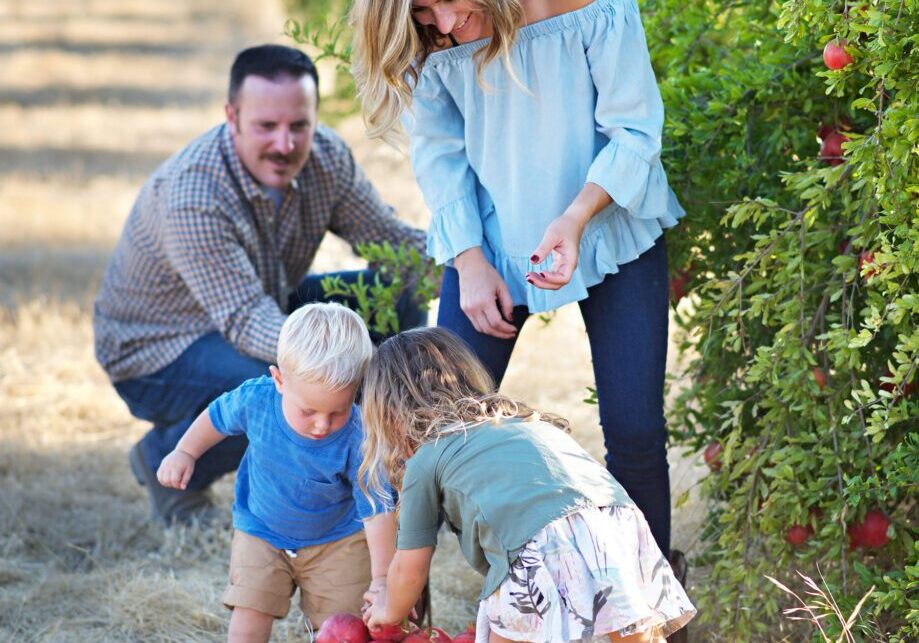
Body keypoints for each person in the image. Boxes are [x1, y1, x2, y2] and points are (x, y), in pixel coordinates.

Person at [349, 0, 683, 562]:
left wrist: (574, 219)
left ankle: (653, 610)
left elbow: (634, 132)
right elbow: (441, 157)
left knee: (636, 435)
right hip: (488, 244)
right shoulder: (430, 38)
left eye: (446, 2)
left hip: (610, 225)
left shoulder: (595, 10)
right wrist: (469, 262)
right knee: (431, 435)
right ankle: (407, 601)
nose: (447, 24)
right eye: (426, 11)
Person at [93, 44, 427, 525]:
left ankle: (382, 458)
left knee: (398, 295)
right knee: (271, 384)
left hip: (263, 302)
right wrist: (355, 371)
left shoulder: (325, 157)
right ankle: (163, 454)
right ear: (232, 116)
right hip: (155, 351)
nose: (285, 144)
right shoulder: (194, 196)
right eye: (266, 126)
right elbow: (248, 321)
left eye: (299, 126)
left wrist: (469, 262)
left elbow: (389, 241)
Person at [358, 327, 694, 643]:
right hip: (616, 522)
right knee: (635, 634)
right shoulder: (520, 421)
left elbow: (410, 569)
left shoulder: (425, 459)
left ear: (390, 414)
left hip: (539, 543)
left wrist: (388, 610)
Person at [156, 303, 396, 643]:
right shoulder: (257, 399)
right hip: (262, 532)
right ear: (279, 380)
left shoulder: (359, 437)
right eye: (308, 410)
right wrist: (185, 451)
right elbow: (217, 416)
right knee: (250, 609)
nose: (321, 425)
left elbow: (377, 512)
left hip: (337, 542)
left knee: (342, 626)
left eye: (337, 411)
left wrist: (382, 579)